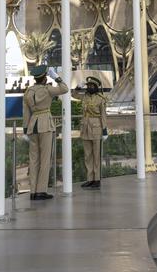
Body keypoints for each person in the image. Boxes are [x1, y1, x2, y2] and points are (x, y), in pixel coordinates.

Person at [23, 64, 68, 200]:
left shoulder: (28, 92)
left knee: (34, 159)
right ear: (44, 78)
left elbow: (26, 112)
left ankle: (32, 191)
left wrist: (25, 130)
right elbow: (64, 89)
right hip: (45, 125)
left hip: (32, 125)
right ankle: (41, 191)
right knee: (45, 159)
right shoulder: (47, 89)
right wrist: (56, 78)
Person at [73, 76, 108, 189]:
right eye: (88, 85)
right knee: (87, 155)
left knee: (96, 155)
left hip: (96, 127)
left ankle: (97, 179)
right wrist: (79, 86)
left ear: (96, 87)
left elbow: (103, 115)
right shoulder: (84, 97)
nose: (89, 87)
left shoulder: (101, 99)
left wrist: (104, 130)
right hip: (85, 128)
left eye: (92, 86)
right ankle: (90, 179)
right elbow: (73, 94)